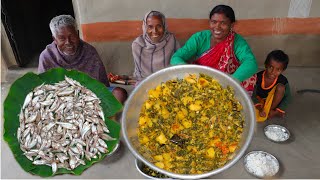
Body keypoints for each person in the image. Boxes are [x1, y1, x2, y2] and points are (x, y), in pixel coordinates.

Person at [38, 15, 127, 104]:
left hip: (89, 94)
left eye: (72, 36)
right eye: (62, 38)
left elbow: (101, 84)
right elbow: (43, 89)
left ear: (77, 34)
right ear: (55, 39)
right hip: (62, 99)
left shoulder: (89, 51)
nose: (68, 42)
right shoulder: (47, 57)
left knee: (119, 93)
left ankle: (110, 117)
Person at [170, 5, 258, 94]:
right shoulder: (200, 38)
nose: (217, 27)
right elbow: (176, 57)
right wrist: (190, 73)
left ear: (232, 25)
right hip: (201, 79)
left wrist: (231, 80)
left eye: (223, 23)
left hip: (226, 82)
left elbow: (251, 63)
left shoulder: (237, 41)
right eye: (214, 22)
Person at [132, 10, 180, 84]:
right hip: (145, 82)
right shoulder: (138, 45)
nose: (155, 31)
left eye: (159, 26)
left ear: (164, 26)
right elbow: (139, 74)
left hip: (169, 81)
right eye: (150, 27)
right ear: (145, 27)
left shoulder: (171, 40)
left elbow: (178, 65)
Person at [252, 50, 291, 122]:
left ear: (283, 70)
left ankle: (272, 111)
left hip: (273, 102)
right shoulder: (257, 77)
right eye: (271, 67)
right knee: (251, 116)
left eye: (278, 70)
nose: (273, 72)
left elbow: (288, 98)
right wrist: (260, 108)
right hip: (259, 100)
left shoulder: (283, 81)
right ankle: (265, 111)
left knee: (281, 88)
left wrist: (278, 110)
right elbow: (252, 94)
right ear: (266, 65)